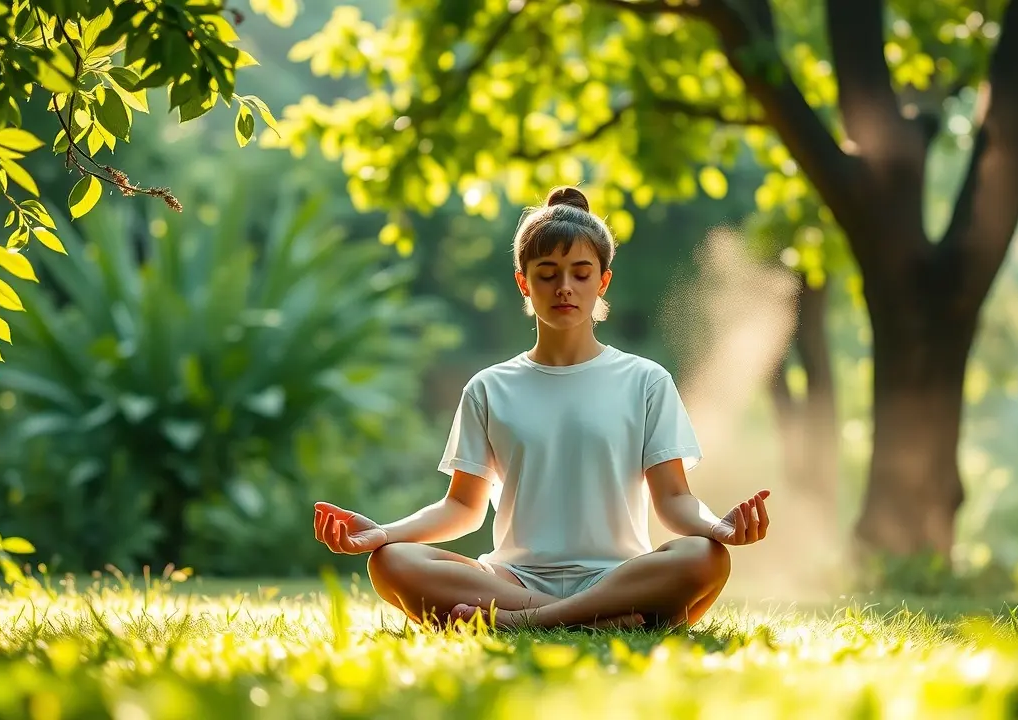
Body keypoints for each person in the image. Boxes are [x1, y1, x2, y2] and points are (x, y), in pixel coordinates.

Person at [312, 186, 770, 630]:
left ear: (603, 281)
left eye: (581, 274)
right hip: (513, 580)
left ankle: (522, 621)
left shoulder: (646, 381)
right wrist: (384, 533)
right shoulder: (489, 388)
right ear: (524, 283)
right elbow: (462, 506)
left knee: (705, 556)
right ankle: (598, 619)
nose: (564, 288)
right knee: (392, 561)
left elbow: (673, 500)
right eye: (547, 274)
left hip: (618, 575)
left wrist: (718, 527)